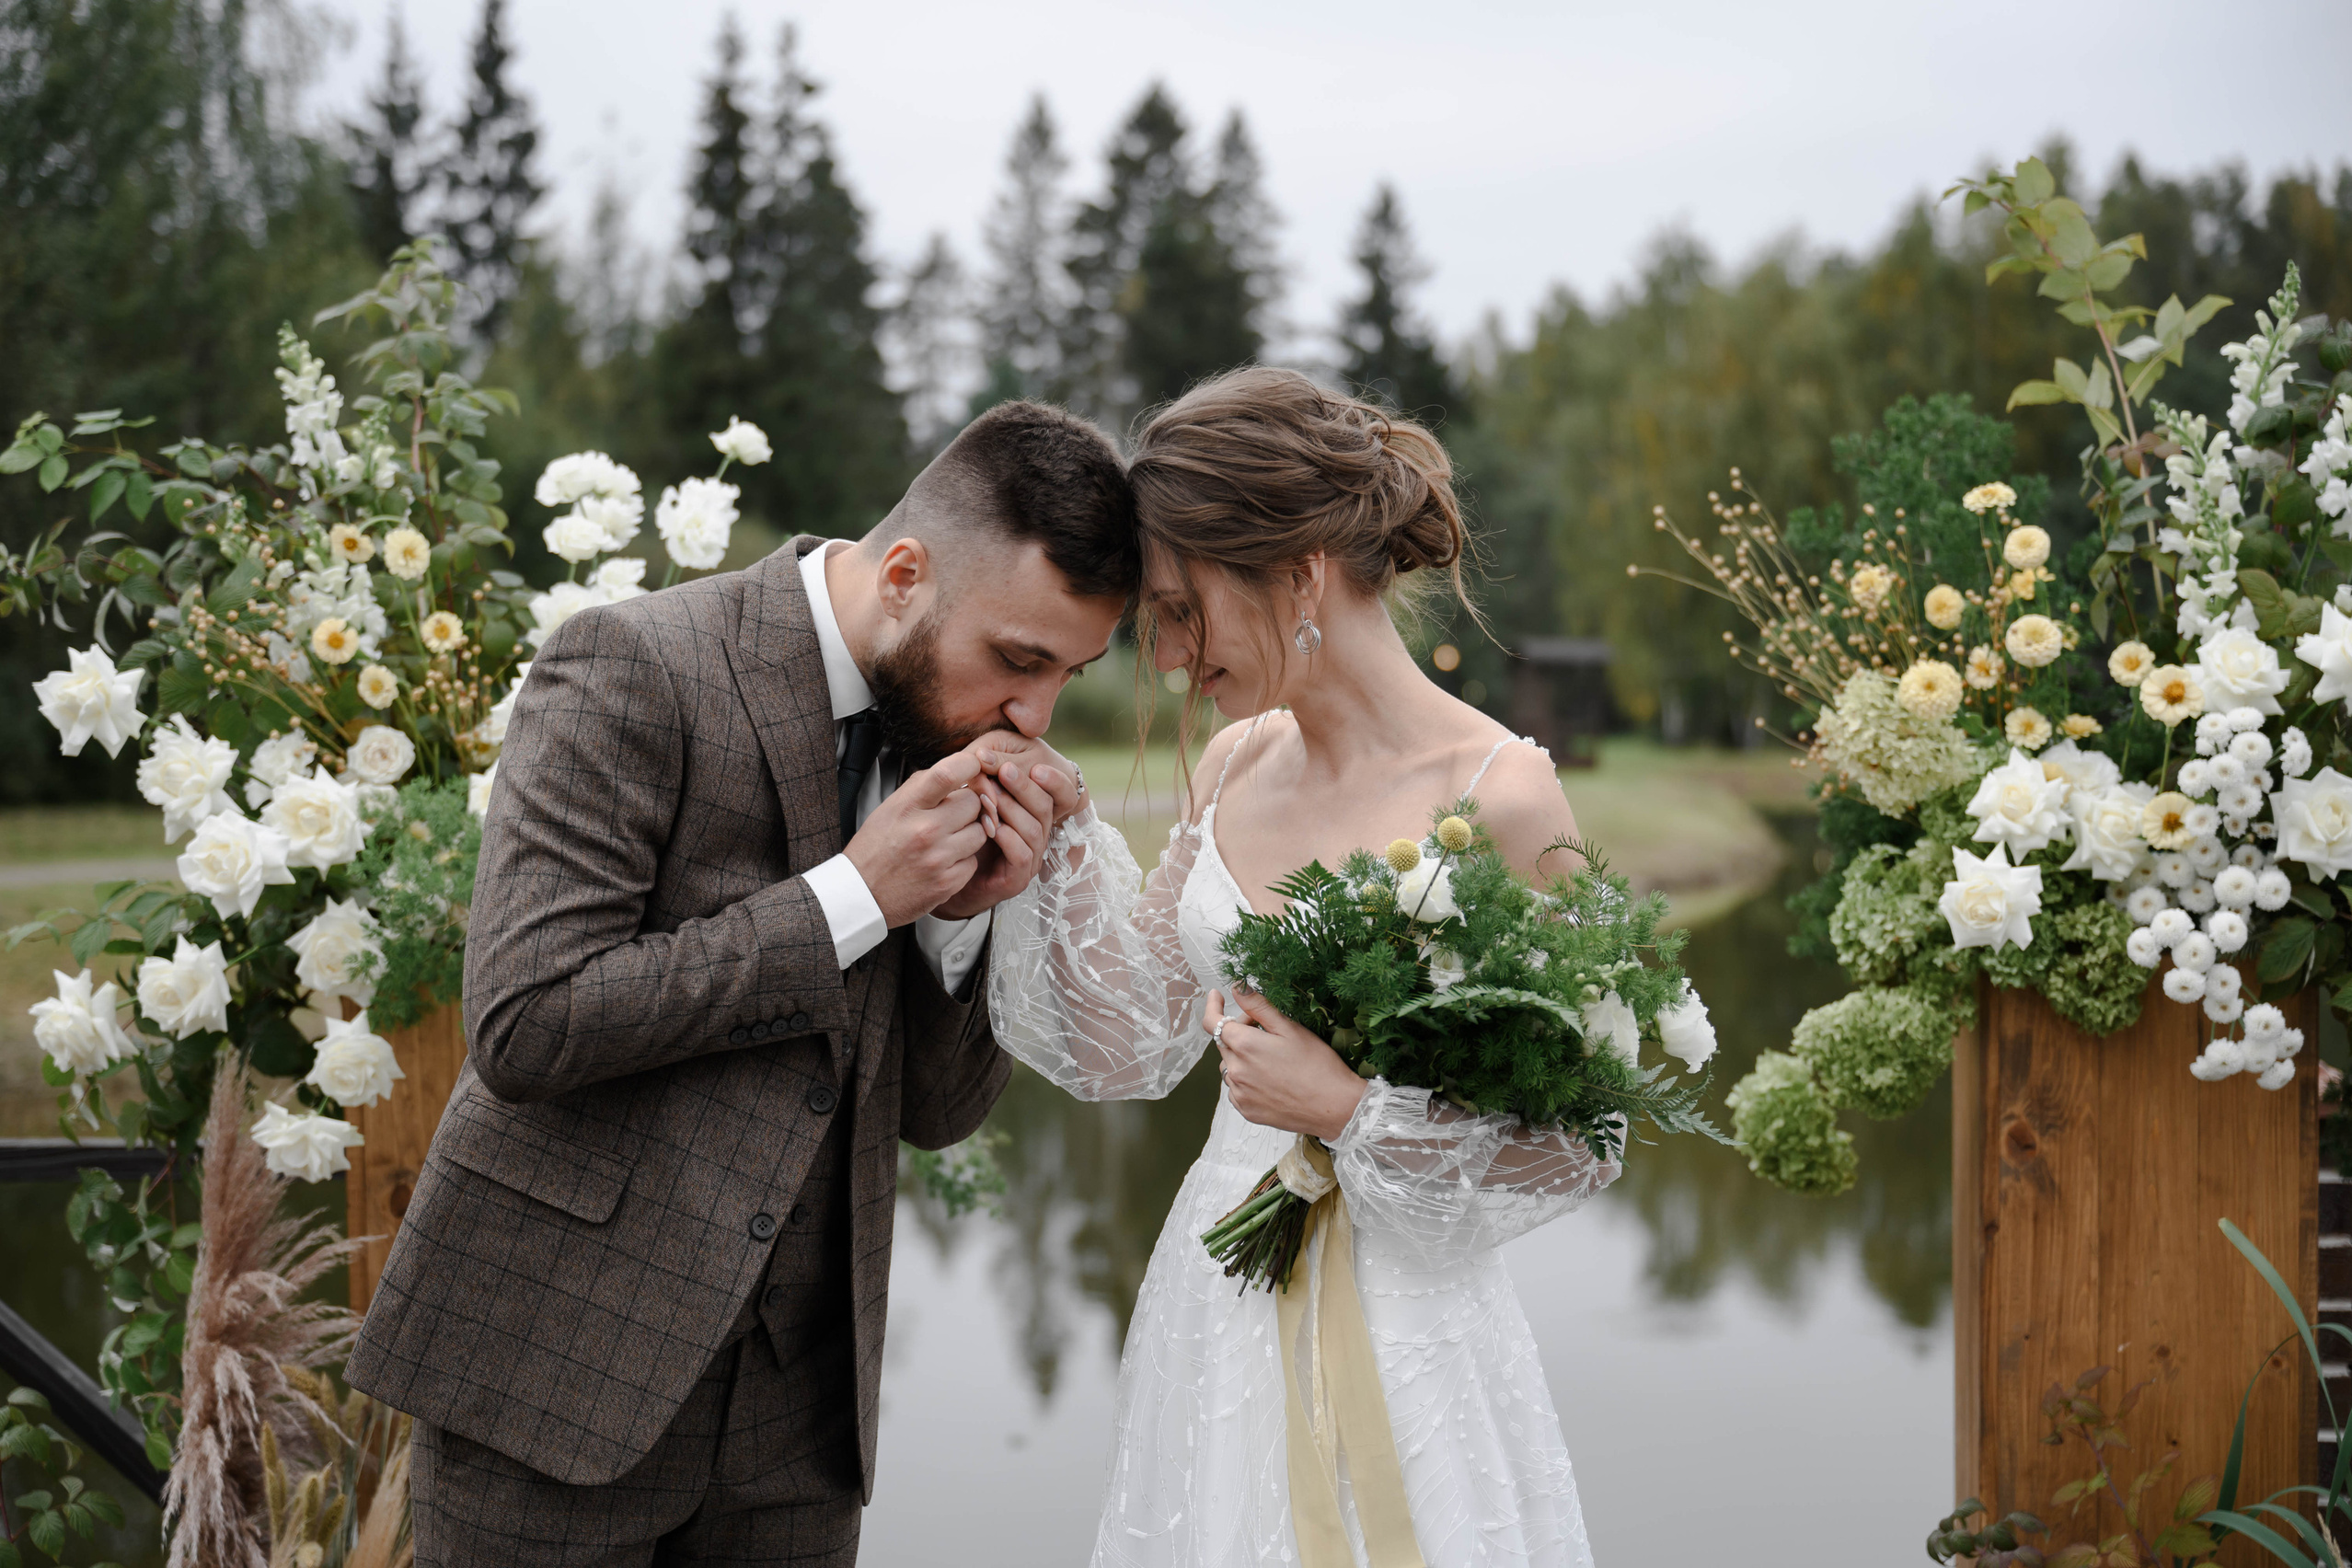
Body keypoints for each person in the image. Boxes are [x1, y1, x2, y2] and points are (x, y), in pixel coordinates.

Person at [345, 400, 1136, 1566]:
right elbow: (527, 1021)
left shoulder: (944, 758)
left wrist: (963, 930)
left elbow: (935, 1114)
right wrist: (857, 897)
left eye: (1068, 674)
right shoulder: (632, 662)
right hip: (554, 1381)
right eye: (1018, 660)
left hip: (800, 1429)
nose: (1035, 715)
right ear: (907, 574)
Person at [981, 367, 1622, 1568]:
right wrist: (1062, 840)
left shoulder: (1503, 796)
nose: (1170, 659)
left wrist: (1351, 1111)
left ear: (1297, 571)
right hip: (1218, 1295)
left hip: (1411, 1330)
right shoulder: (1230, 768)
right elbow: (1130, 1047)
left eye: (1183, 610)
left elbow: (1585, 1139)